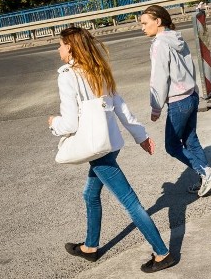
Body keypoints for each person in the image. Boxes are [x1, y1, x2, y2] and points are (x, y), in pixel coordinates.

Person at [48, 26, 176, 273]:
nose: (59, 49)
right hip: (110, 143)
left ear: (71, 47)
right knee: (90, 195)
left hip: (97, 149)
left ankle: (162, 253)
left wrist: (54, 124)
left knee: (130, 202)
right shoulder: (99, 71)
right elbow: (121, 107)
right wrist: (140, 135)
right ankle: (90, 247)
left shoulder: (67, 76)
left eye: (61, 45)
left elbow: (71, 122)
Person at [139, 5, 211, 197]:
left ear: (157, 21)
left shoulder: (159, 44)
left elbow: (159, 77)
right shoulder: (176, 37)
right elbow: (189, 66)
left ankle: (206, 172)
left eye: (144, 23)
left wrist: (156, 106)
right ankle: (207, 181)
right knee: (191, 141)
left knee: (172, 145)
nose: (142, 27)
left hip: (178, 101)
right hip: (191, 95)